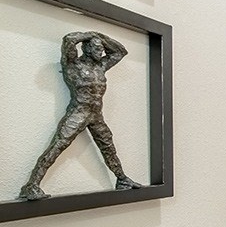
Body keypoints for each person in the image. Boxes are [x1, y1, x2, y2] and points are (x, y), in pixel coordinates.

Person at [20, 31, 142, 201]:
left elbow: (120, 52)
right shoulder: (73, 65)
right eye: (97, 48)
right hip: (78, 112)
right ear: (87, 49)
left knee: (108, 146)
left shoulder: (101, 66)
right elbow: (69, 39)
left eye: (102, 49)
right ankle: (31, 185)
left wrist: (99, 36)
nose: (101, 51)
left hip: (96, 115)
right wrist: (89, 35)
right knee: (58, 145)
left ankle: (122, 179)